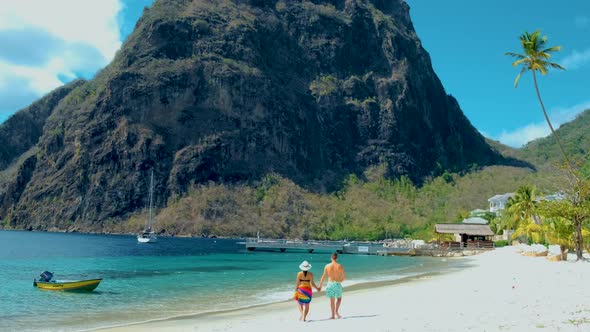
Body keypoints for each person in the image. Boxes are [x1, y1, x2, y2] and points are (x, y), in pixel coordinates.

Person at [318, 252, 346, 319]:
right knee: (339, 299)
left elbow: (323, 277)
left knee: (332, 301)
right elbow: (344, 277)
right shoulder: (340, 266)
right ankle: (336, 312)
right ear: (337, 258)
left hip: (330, 284)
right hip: (337, 284)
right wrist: (341, 280)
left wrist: (320, 286)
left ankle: (333, 315)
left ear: (331, 258)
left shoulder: (327, 266)